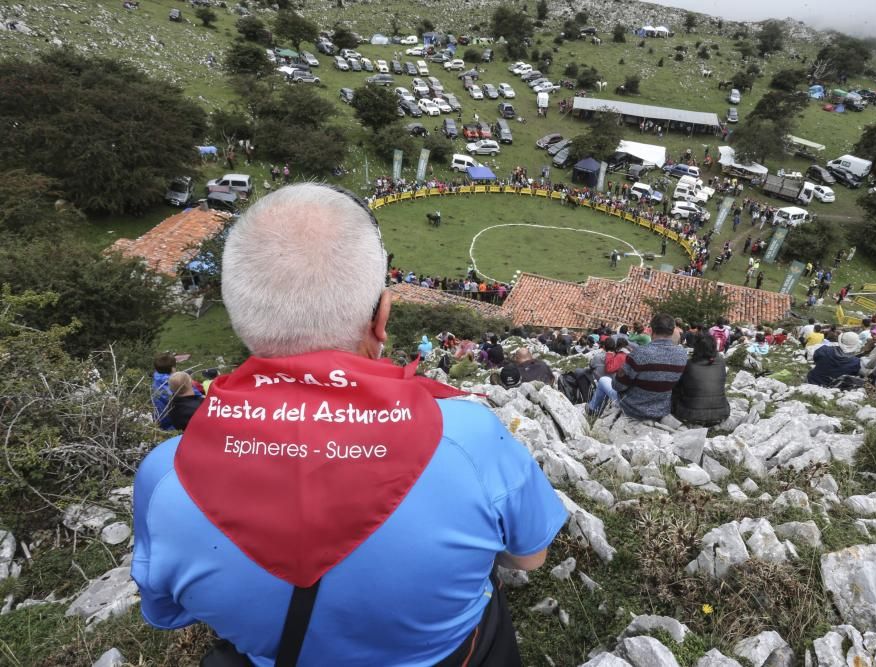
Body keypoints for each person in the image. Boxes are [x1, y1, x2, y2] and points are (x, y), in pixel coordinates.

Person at [132, 184, 566, 665]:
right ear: (382, 317)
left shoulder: (166, 476)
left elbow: (166, 612)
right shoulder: (468, 437)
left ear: (241, 319)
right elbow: (529, 557)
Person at [588, 314, 687, 420]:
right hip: (661, 410)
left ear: (651, 330)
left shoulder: (640, 353)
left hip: (634, 409)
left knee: (603, 380)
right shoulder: (682, 354)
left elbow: (618, 386)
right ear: (672, 331)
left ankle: (591, 411)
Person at [671, 333, 730, 426]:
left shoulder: (689, 364)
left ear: (696, 348)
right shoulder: (721, 362)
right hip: (722, 414)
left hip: (690, 415)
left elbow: (678, 386)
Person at [151, 352, 176, 430]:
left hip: (159, 422)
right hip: (172, 425)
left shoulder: (156, 380)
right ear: (173, 368)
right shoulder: (172, 383)